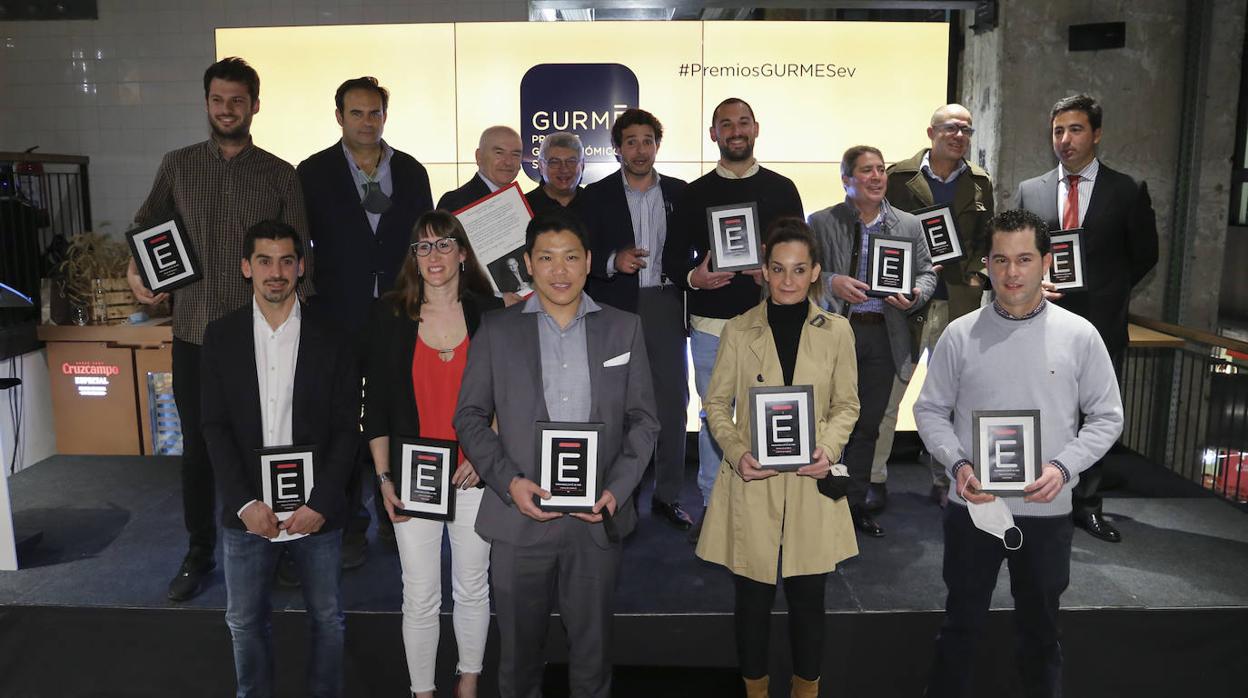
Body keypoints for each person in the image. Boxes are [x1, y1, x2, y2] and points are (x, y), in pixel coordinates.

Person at [914, 209, 1123, 698]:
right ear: (985, 265)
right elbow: (929, 411)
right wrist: (958, 465)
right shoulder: (960, 334)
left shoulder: (1079, 335)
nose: (1012, 273)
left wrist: (1064, 466)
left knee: (1040, 635)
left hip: (1047, 510)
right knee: (960, 628)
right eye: (1000, 260)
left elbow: (1108, 416)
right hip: (975, 509)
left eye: (1024, 259)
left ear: (1047, 262)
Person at [126, 56, 312, 602]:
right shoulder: (178, 165)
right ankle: (198, 551)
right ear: (206, 104)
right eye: (217, 100)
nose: (226, 109)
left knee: (270, 444)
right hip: (196, 336)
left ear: (255, 105)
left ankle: (278, 543)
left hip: (267, 338)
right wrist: (137, 270)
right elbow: (144, 229)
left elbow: (302, 255)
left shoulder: (281, 173)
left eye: (237, 100)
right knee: (200, 452)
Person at [453, 210, 659, 698]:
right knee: (520, 660)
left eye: (570, 257)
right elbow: (469, 417)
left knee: (592, 658)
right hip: (519, 520)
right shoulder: (497, 330)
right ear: (528, 264)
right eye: (546, 258)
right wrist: (507, 482)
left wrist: (615, 490)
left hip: (596, 521)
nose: (559, 270)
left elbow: (645, 421)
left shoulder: (623, 329)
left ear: (588, 262)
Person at [696, 219, 860, 698]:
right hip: (753, 480)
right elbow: (715, 403)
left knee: (810, 598)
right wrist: (736, 451)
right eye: (778, 269)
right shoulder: (737, 330)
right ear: (764, 272)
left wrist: (827, 449)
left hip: (812, 480)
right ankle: (755, 691)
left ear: (815, 273)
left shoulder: (838, 332)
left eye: (799, 269)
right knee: (751, 599)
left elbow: (847, 404)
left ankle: (807, 691)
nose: (788, 279)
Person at [200, 220, 358, 697]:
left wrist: (323, 502)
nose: (276, 271)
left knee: (328, 620)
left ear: (301, 267)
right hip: (247, 511)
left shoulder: (333, 336)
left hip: (316, 508)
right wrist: (245, 503)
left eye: (286, 260)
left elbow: (347, 429)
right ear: (246, 267)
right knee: (245, 623)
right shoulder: (221, 335)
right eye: (265, 261)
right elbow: (214, 427)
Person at [362, 210, 502, 698]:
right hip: (412, 479)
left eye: (444, 244)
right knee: (419, 593)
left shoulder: (491, 312)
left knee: (471, 585)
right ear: (413, 258)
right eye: (423, 247)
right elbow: (375, 405)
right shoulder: (389, 314)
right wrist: (384, 481)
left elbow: (508, 395)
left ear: (463, 253)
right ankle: (422, 690)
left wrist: (485, 453)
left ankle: (468, 678)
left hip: (473, 475)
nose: (434, 255)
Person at [297, 75, 434, 567]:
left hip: (399, 313)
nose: (366, 121)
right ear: (339, 117)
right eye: (356, 113)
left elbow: (426, 244)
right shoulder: (312, 173)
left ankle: (394, 514)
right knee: (341, 420)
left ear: (385, 116)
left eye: (374, 112)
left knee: (397, 412)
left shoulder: (413, 172)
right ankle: (349, 521)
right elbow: (300, 243)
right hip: (336, 313)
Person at [1016, 93, 1158, 543]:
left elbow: (1145, 255)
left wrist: (1106, 289)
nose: (1065, 140)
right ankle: (1034, 493)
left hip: (1100, 323)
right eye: (1058, 131)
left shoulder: (1127, 189)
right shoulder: (1031, 190)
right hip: (1039, 323)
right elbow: (1017, 255)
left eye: (1075, 130)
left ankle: (1086, 503)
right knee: (1042, 408)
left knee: (1094, 414)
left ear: (1096, 134)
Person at [661, 97, 804, 541]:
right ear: (713, 134)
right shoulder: (694, 193)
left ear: (756, 129)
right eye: (726, 124)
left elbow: (800, 254)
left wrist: (775, 269)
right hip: (711, 326)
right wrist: (695, 278)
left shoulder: (783, 188)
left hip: (771, 322)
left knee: (772, 414)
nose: (735, 130)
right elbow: (671, 260)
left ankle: (770, 506)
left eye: (743, 122)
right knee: (713, 417)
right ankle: (712, 503)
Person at [809, 145, 936, 538]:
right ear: (847, 179)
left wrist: (915, 294)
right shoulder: (820, 221)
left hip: (883, 333)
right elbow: (804, 271)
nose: (878, 176)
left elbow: (928, 274)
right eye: (867, 170)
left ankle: (853, 504)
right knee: (826, 422)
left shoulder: (908, 225)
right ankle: (817, 503)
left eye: (881, 169)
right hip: (833, 335)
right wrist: (831, 282)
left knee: (867, 426)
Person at [875, 103, 996, 510]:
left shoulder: (980, 182)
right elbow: (881, 231)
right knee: (889, 396)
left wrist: (980, 274)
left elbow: (987, 241)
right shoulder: (898, 177)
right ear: (931, 133)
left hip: (960, 304)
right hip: (908, 302)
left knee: (954, 398)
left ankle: (949, 478)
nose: (958, 136)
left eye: (966, 130)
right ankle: (875, 478)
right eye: (950, 129)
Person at [581, 108, 692, 530]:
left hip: (664, 304)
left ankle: (668, 494)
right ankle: (616, 495)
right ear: (616, 148)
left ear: (657, 145)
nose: (640, 149)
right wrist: (612, 260)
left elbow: (694, 250)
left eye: (648, 140)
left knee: (671, 402)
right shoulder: (594, 196)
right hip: (613, 308)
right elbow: (583, 255)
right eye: (631, 141)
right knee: (613, 403)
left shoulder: (682, 194)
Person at [437, 126, 523, 212]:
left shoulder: (524, 203)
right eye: (499, 153)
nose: (508, 162)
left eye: (515, 155)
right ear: (479, 156)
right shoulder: (454, 202)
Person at [525, 131, 587, 217]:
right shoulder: (524, 207)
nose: (564, 169)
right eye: (554, 162)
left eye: (571, 161)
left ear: (582, 165)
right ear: (541, 166)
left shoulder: (596, 205)